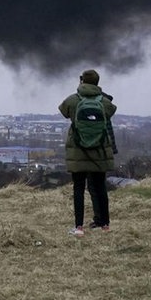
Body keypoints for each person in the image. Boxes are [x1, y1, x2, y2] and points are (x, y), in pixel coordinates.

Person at [58, 68, 117, 235]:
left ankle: (78, 227)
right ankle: (105, 225)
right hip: (99, 151)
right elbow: (111, 111)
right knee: (100, 187)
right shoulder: (105, 102)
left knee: (78, 188)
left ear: (82, 81)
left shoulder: (72, 100)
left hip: (78, 150)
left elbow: (63, 111)